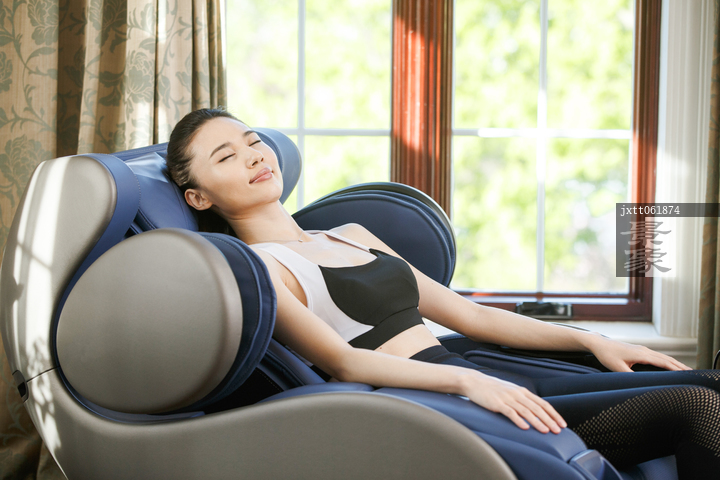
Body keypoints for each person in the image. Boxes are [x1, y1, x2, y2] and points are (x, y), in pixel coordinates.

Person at [166, 108, 720, 478]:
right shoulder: (261, 268)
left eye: (253, 142)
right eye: (226, 157)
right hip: (445, 401)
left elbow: (470, 317)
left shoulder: (349, 233)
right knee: (696, 408)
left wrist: (590, 339)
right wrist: (466, 382)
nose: (254, 156)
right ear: (198, 197)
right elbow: (343, 362)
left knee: (708, 381)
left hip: (477, 366)